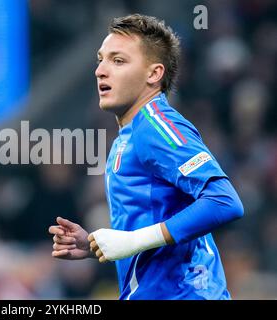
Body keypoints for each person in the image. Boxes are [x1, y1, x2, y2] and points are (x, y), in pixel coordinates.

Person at [48, 14, 244, 300]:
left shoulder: (156, 127)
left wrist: (131, 240)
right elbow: (158, 224)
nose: (100, 70)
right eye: (100, 59)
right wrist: (94, 246)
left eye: (118, 61)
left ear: (153, 74)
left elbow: (224, 201)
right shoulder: (129, 135)